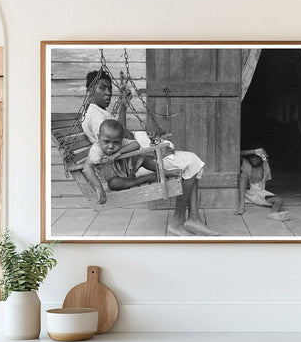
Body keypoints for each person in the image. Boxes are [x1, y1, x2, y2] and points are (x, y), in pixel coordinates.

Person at [81, 70, 218, 236]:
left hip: (134, 157)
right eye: (102, 88)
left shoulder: (99, 111)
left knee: (189, 161)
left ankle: (193, 218)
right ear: (90, 90)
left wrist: (123, 106)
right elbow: (115, 143)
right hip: (130, 166)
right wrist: (154, 153)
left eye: (109, 88)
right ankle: (179, 221)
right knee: (192, 162)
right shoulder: (95, 115)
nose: (108, 92)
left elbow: (119, 134)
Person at [83, 119, 176, 205]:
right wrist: (99, 187)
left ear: (121, 140)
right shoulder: (96, 150)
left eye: (116, 143)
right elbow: (87, 169)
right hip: (116, 178)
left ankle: (164, 172)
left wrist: (119, 152)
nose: (111, 146)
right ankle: (146, 178)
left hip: (127, 169)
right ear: (98, 137)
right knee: (113, 184)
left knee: (141, 158)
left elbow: (136, 144)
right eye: (106, 141)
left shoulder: (122, 142)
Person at [235, 147, 289, 221]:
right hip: (245, 193)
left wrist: (262, 153)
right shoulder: (246, 163)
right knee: (244, 175)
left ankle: (273, 214)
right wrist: (253, 151)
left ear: (261, 158)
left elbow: (265, 157)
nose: (254, 159)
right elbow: (235, 154)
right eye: (252, 157)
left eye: (257, 157)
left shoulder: (265, 165)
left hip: (259, 194)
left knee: (279, 200)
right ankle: (242, 205)